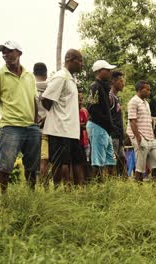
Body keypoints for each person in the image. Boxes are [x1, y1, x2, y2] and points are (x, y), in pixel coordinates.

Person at [0, 41, 40, 194]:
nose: (5, 54)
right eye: (3, 52)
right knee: (5, 165)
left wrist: (36, 121)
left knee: (32, 165)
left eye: (9, 51)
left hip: (31, 126)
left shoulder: (29, 76)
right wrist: (10, 110)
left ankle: (31, 193)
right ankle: (3, 197)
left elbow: (34, 99)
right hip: (10, 126)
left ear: (19, 53)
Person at [41, 49, 86, 188]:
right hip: (59, 129)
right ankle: (57, 190)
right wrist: (55, 116)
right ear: (69, 60)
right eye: (79, 60)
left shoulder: (71, 79)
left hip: (72, 130)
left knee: (78, 161)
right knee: (59, 162)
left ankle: (80, 191)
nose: (82, 64)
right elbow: (46, 98)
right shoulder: (61, 76)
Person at [86, 60, 117, 181]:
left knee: (110, 160)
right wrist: (106, 121)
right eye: (107, 70)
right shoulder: (95, 86)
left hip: (105, 128)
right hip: (97, 126)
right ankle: (98, 186)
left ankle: (109, 186)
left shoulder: (104, 87)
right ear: (99, 71)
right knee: (97, 161)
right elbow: (91, 107)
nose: (110, 72)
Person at [127, 80, 156, 182]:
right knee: (140, 167)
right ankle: (138, 188)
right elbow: (132, 121)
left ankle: (155, 189)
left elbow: (148, 121)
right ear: (139, 90)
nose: (149, 91)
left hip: (150, 137)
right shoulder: (133, 101)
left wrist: (153, 136)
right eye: (147, 89)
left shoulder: (146, 103)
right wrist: (138, 138)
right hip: (139, 136)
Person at [33, 62, 49, 188]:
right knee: (47, 161)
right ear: (46, 73)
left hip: (33, 127)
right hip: (49, 128)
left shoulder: (30, 87)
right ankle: (47, 188)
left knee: (35, 161)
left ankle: (37, 187)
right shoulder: (51, 87)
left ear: (34, 73)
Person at [109, 71, 127, 177]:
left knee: (122, 159)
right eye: (120, 81)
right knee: (112, 160)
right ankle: (111, 183)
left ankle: (123, 184)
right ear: (113, 81)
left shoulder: (116, 98)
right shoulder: (109, 97)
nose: (123, 83)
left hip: (119, 136)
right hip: (112, 135)